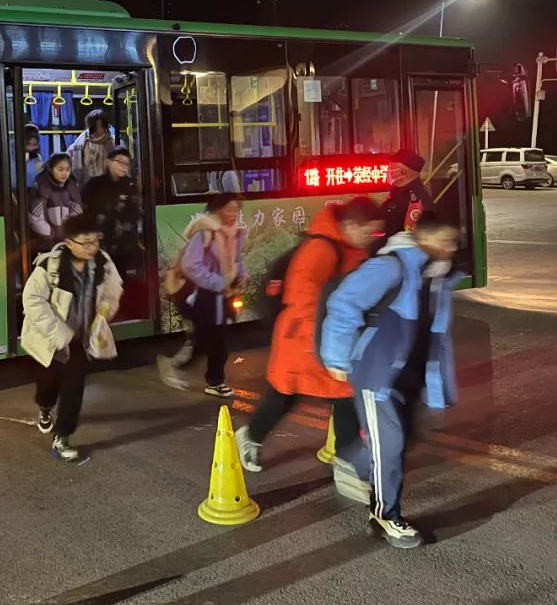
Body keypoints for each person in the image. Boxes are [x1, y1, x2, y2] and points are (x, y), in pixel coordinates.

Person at [320, 211, 462, 549]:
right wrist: (337, 357)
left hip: (410, 375)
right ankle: (384, 516)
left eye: (454, 242)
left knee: (403, 439)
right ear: (424, 237)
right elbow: (343, 303)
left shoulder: (438, 276)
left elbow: (437, 337)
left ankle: (352, 460)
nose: (451, 248)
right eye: (444, 241)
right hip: (378, 374)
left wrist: (440, 385)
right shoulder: (391, 266)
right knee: (391, 445)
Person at [235, 198, 384, 504]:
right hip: (303, 341)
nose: (372, 239)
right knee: (286, 395)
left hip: (321, 339)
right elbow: (305, 304)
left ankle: (345, 466)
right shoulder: (321, 249)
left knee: (339, 398)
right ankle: (251, 437)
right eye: (369, 232)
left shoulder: (349, 248)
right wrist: (324, 352)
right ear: (351, 225)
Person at [20, 212, 123, 462]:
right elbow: (32, 300)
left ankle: (62, 437)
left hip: (81, 341)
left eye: (95, 241)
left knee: (74, 387)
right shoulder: (50, 266)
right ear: (69, 243)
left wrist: (104, 315)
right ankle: (45, 408)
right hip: (51, 340)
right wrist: (60, 334)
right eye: (85, 243)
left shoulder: (103, 263)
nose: (92, 248)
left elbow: (113, 291)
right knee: (47, 386)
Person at [158, 193, 248, 398]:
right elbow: (191, 265)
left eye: (237, 209)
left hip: (222, 295)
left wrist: (242, 275)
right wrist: (218, 282)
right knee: (213, 340)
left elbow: (237, 259)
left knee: (211, 340)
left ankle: (185, 369)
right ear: (217, 210)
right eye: (229, 209)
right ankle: (210, 379)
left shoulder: (234, 234)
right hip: (202, 295)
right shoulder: (204, 233)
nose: (234, 214)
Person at [82, 148, 142, 315]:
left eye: (127, 164)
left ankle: (118, 311)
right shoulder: (94, 184)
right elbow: (86, 210)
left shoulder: (130, 185)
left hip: (123, 243)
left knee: (120, 278)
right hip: (99, 242)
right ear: (108, 162)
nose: (123, 167)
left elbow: (135, 211)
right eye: (120, 162)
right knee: (100, 277)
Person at [29, 152, 83, 251]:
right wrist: (50, 233)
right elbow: (35, 218)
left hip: (68, 241)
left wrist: (69, 232)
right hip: (44, 242)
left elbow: (77, 211)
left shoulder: (72, 186)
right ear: (51, 169)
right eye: (60, 169)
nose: (64, 173)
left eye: (67, 169)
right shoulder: (41, 186)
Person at [378, 148, 434, 240]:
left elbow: (410, 236)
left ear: (404, 172)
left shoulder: (415, 200)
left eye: (391, 168)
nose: (387, 171)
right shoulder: (398, 192)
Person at [69, 109, 115, 184]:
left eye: (101, 126)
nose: (98, 129)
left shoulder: (114, 143)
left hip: (108, 186)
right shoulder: (77, 146)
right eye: (95, 126)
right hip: (86, 186)